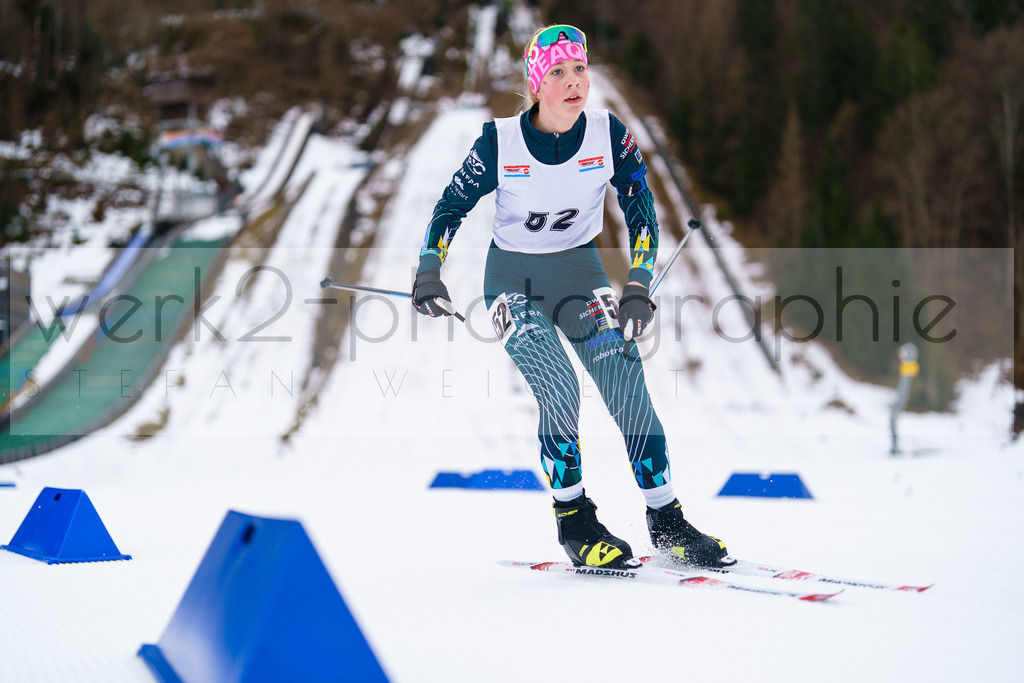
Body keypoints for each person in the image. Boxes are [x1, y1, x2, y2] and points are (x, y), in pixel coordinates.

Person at [411, 24, 733, 569]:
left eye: (580, 69)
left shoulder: (610, 135)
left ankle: (668, 520)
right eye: (557, 72)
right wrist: (428, 269)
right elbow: (449, 207)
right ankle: (576, 522)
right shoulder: (500, 141)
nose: (572, 81)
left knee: (625, 377)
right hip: (513, 282)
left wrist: (637, 283)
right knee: (559, 386)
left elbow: (640, 209)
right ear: (536, 85)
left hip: (581, 277)